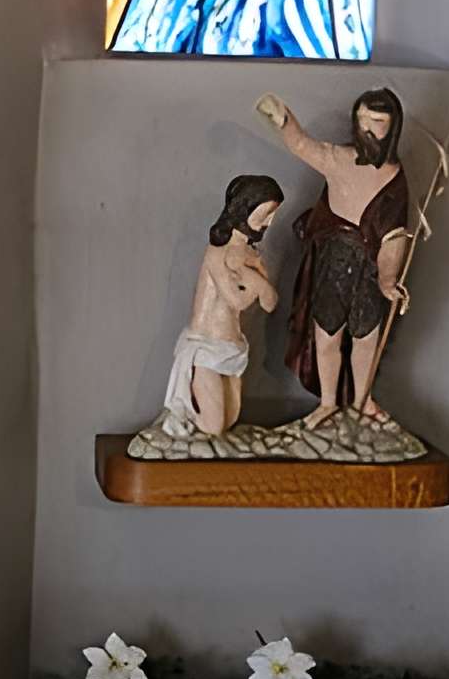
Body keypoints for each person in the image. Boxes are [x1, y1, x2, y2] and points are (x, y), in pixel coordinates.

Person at [255, 86, 413, 425]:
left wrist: (388, 279)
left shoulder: (395, 180)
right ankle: (327, 403)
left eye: (377, 121)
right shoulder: (338, 159)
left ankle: (361, 401)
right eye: (362, 120)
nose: (367, 128)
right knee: (326, 335)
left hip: (369, 269)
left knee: (365, 339)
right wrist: (283, 118)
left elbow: (394, 236)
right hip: (333, 259)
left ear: (393, 126)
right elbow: (302, 145)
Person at [160, 174, 284, 436]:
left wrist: (258, 283)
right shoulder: (217, 252)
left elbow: (271, 303)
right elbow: (237, 300)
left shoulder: (251, 256)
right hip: (208, 347)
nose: (269, 222)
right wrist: (258, 284)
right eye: (266, 213)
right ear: (245, 208)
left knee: (229, 421)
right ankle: (178, 420)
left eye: (273, 215)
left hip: (233, 348)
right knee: (213, 425)